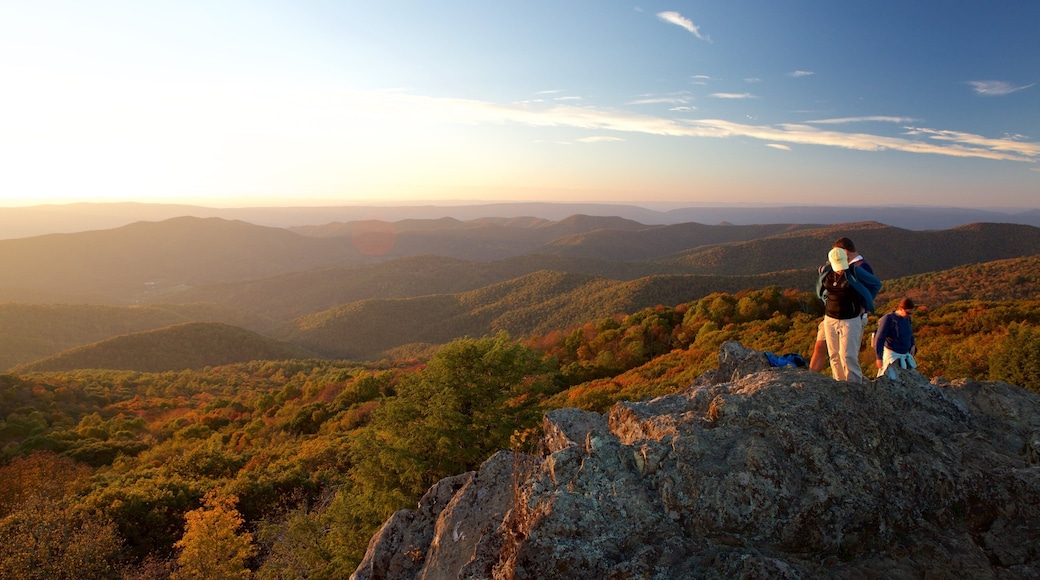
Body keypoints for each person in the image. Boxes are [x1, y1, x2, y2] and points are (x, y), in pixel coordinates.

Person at [816, 247, 881, 383]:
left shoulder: (854, 271)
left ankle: (854, 385)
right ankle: (839, 384)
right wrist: (826, 302)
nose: (840, 269)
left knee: (848, 355)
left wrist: (864, 304)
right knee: (834, 355)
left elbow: (876, 284)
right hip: (830, 319)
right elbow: (821, 289)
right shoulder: (827, 272)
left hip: (850, 320)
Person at [874, 297, 917, 379]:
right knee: (889, 379)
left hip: (905, 355)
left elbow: (910, 333)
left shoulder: (907, 319)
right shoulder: (889, 319)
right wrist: (879, 357)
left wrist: (913, 344)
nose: (909, 315)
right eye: (908, 313)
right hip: (892, 355)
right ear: (901, 309)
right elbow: (879, 338)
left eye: (911, 313)